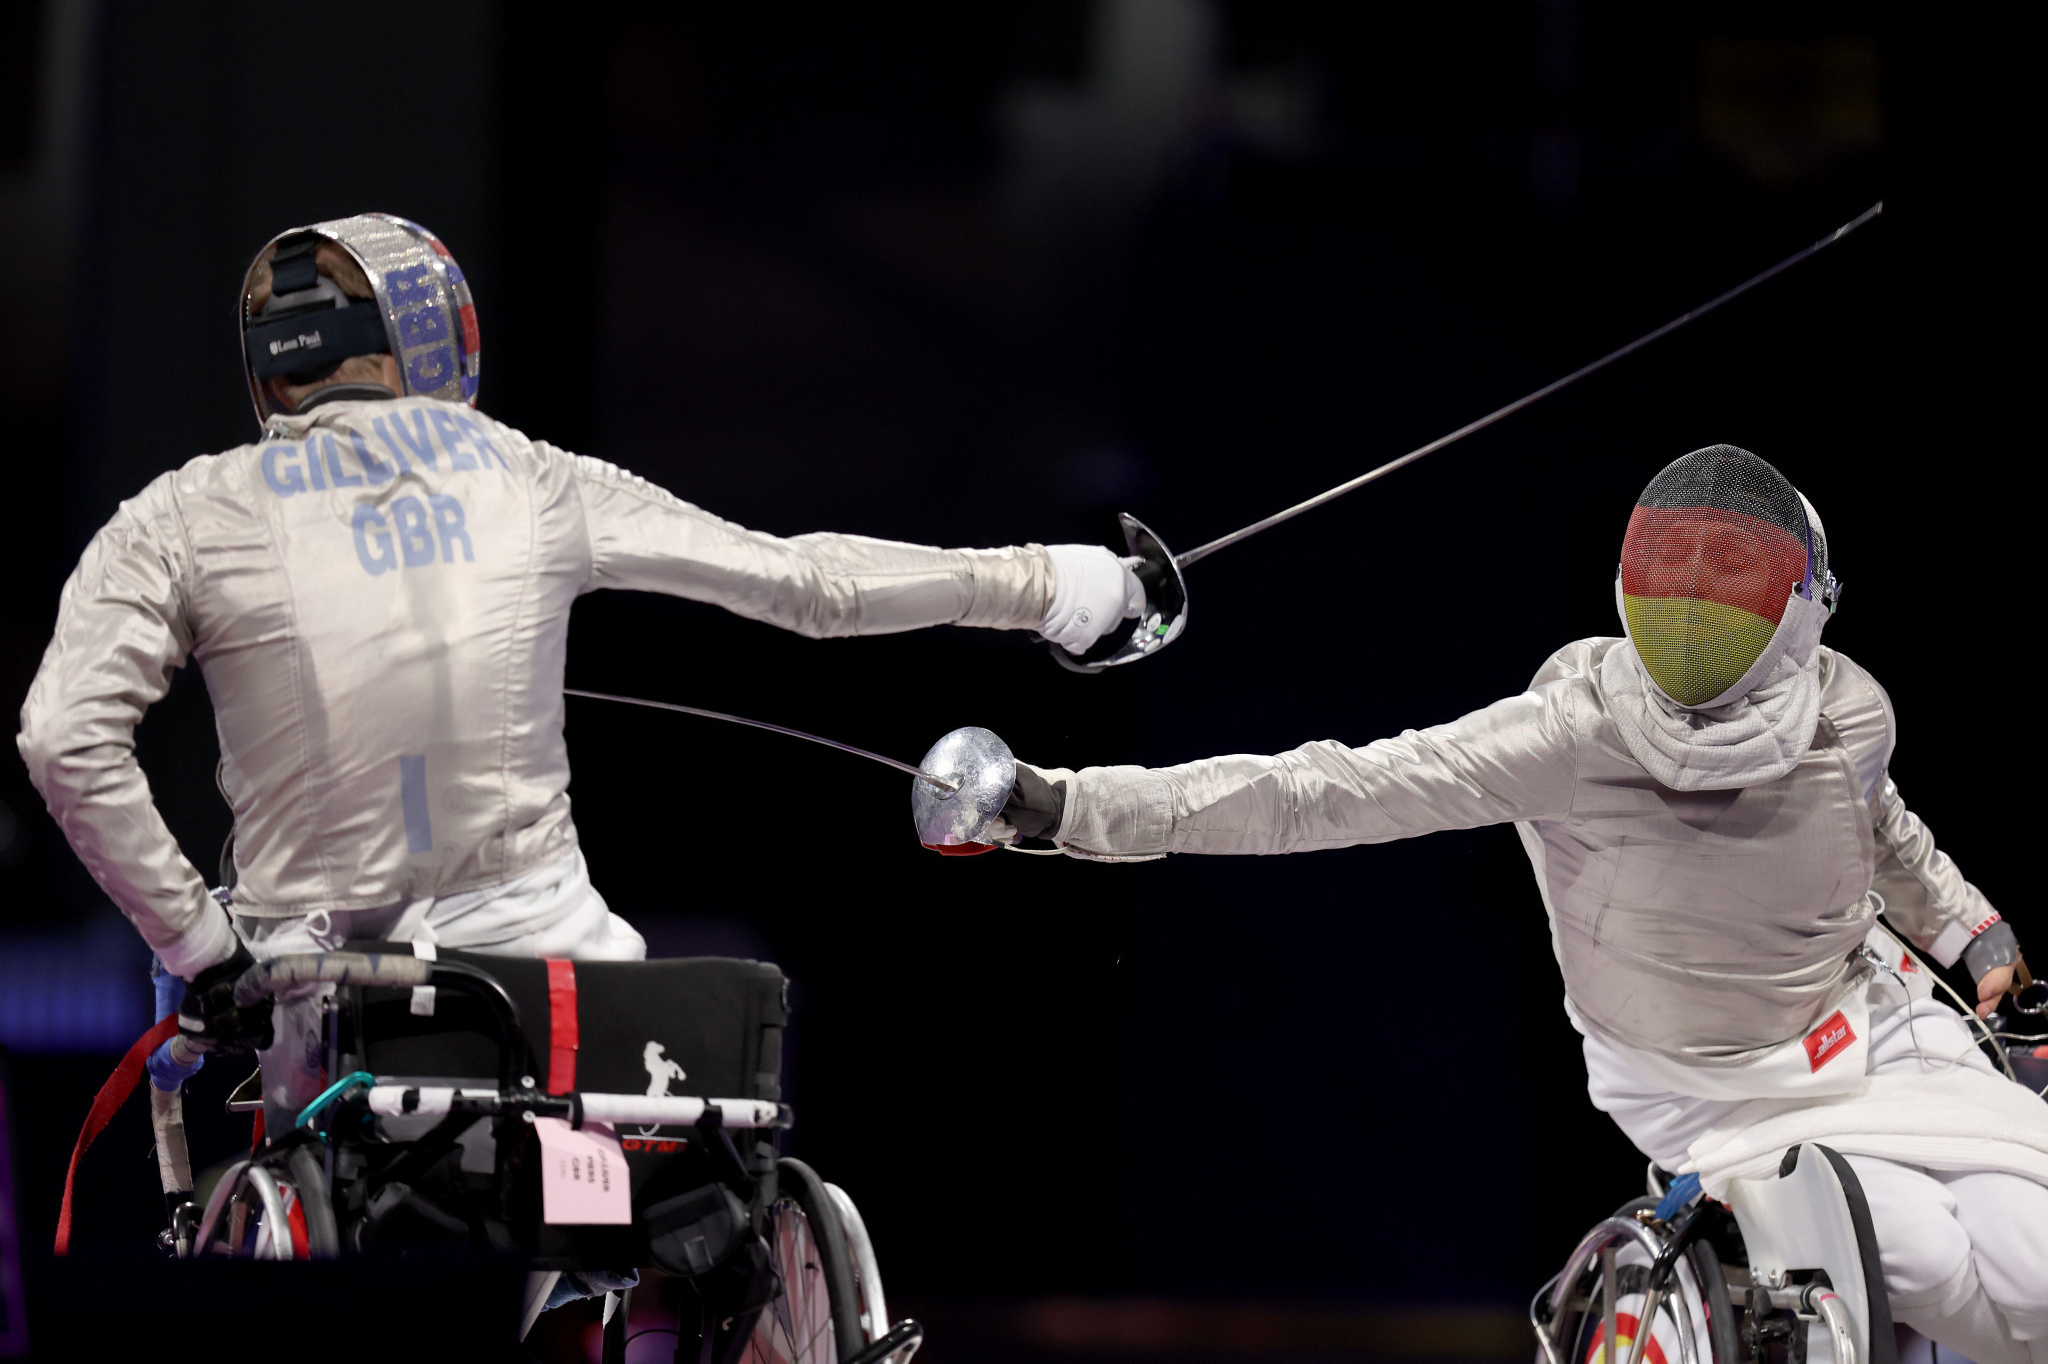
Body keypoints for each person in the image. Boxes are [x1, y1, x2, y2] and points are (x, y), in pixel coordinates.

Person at [15, 212, 1156, 1135]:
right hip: (567, 1012)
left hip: (323, 1026)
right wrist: (1057, 583)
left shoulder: (180, 511)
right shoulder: (528, 475)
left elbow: (62, 736)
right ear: (427, 340)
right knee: (687, 1171)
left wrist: (198, 949)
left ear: (272, 375)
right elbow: (808, 586)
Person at [983, 444, 2048, 1361]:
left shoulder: (1846, 709)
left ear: (1799, 601)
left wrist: (1969, 928)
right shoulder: (1570, 731)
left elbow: (1879, 825)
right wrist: (1067, 805)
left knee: (2034, 1274)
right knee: (1911, 1258)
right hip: (1705, 1089)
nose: (1691, 601)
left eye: (1726, 574)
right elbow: (1314, 789)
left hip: (1877, 1030)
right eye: (1672, 568)